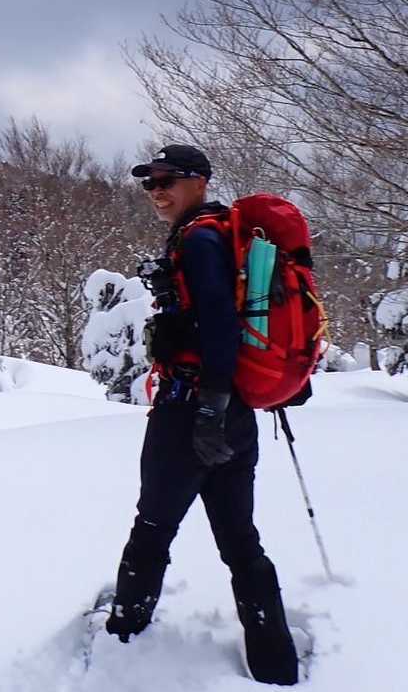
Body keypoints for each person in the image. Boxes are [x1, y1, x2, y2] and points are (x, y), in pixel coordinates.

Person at [106, 144, 299, 686]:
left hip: (191, 411)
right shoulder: (221, 234)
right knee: (240, 539)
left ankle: (123, 631)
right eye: (150, 182)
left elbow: (217, 322)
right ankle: (275, 662)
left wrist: (208, 407)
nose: (157, 191)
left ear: (200, 181)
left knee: (152, 525)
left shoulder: (199, 239)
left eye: (168, 180)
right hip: (234, 411)